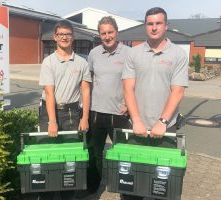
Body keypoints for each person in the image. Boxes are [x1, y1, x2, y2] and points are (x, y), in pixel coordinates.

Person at [122, 7, 188, 199]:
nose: (154, 28)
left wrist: (163, 122)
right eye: (150, 23)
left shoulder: (177, 55)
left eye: (158, 23)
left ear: (166, 26)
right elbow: (128, 89)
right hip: (137, 127)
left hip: (166, 127)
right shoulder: (133, 54)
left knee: (161, 183)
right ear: (145, 26)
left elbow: (178, 91)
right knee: (132, 181)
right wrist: (136, 120)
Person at [75, 16, 131, 199]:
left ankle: (127, 188)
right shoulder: (94, 54)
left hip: (119, 114)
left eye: (110, 32)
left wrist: (130, 104)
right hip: (96, 112)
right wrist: (85, 108)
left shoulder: (129, 54)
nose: (107, 36)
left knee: (123, 153)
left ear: (117, 32)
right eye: (103, 33)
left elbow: (136, 83)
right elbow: (88, 82)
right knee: (94, 152)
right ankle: (92, 186)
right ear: (99, 35)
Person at [38, 20, 91, 199]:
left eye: (68, 34)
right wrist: (52, 121)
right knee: (49, 154)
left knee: (70, 155)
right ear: (55, 37)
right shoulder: (48, 62)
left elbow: (85, 90)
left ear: (73, 37)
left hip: (72, 112)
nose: (64, 37)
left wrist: (85, 118)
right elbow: (49, 93)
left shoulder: (82, 62)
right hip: (50, 111)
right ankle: (48, 194)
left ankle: (68, 194)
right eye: (61, 34)